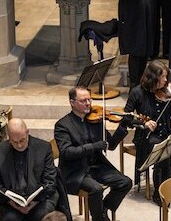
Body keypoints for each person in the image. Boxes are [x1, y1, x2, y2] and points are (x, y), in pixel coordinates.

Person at [124, 61, 171, 204]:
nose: (166, 80)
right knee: (163, 153)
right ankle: (161, 194)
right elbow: (126, 117)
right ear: (152, 77)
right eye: (162, 77)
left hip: (167, 133)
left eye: (166, 77)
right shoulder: (137, 93)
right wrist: (143, 123)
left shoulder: (167, 92)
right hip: (147, 137)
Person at [54, 87, 132, 221]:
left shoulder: (95, 120)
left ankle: (103, 210)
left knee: (125, 182)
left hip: (96, 166)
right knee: (96, 189)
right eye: (83, 100)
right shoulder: (63, 125)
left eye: (89, 99)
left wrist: (123, 126)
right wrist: (93, 146)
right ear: (72, 102)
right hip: (75, 171)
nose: (88, 103)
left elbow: (111, 145)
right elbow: (67, 152)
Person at [0, 119, 59, 220]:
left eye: (22, 140)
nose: (19, 145)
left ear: (27, 132)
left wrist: (34, 202)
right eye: (14, 142)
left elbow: (50, 181)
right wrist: (11, 203)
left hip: (40, 199)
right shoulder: (1, 151)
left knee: (41, 215)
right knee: (10, 218)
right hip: (10, 202)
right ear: (9, 138)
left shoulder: (43, 148)